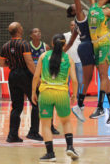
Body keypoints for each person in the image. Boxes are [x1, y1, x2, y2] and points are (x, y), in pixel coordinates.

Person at [31, 34, 79, 162]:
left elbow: (36, 77)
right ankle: (70, 147)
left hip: (46, 93)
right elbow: (74, 80)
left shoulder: (43, 56)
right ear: (64, 44)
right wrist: (74, 94)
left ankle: (50, 153)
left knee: (46, 125)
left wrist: (33, 93)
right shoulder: (69, 59)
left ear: (52, 44)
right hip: (62, 93)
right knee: (66, 122)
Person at [60, 0, 96, 122]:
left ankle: (80, 105)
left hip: (83, 46)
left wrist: (58, 52)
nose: (77, 5)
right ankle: (86, 105)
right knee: (92, 77)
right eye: (75, 6)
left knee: (87, 80)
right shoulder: (80, 15)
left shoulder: (76, 24)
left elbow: (69, 44)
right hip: (88, 45)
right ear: (75, 11)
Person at [0, 22, 43, 142]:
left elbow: (1, 64)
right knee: (36, 103)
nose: (22, 28)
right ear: (18, 30)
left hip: (13, 75)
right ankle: (33, 132)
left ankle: (12, 135)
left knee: (16, 107)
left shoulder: (5, 46)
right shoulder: (24, 44)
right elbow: (29, 62)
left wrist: (13, 63)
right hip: (25, 74)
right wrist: (37, 77)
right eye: (21, 27)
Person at [29, 27, 60, 135]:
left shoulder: (45, 46)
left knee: (49, 102)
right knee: (35, 104)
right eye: (35, 31)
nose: (38, 33)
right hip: (33, 77)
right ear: (31, 35)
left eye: (39, 31)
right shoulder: (27, 46)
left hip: (44, 78)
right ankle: (33, 129)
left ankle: (51, 126)